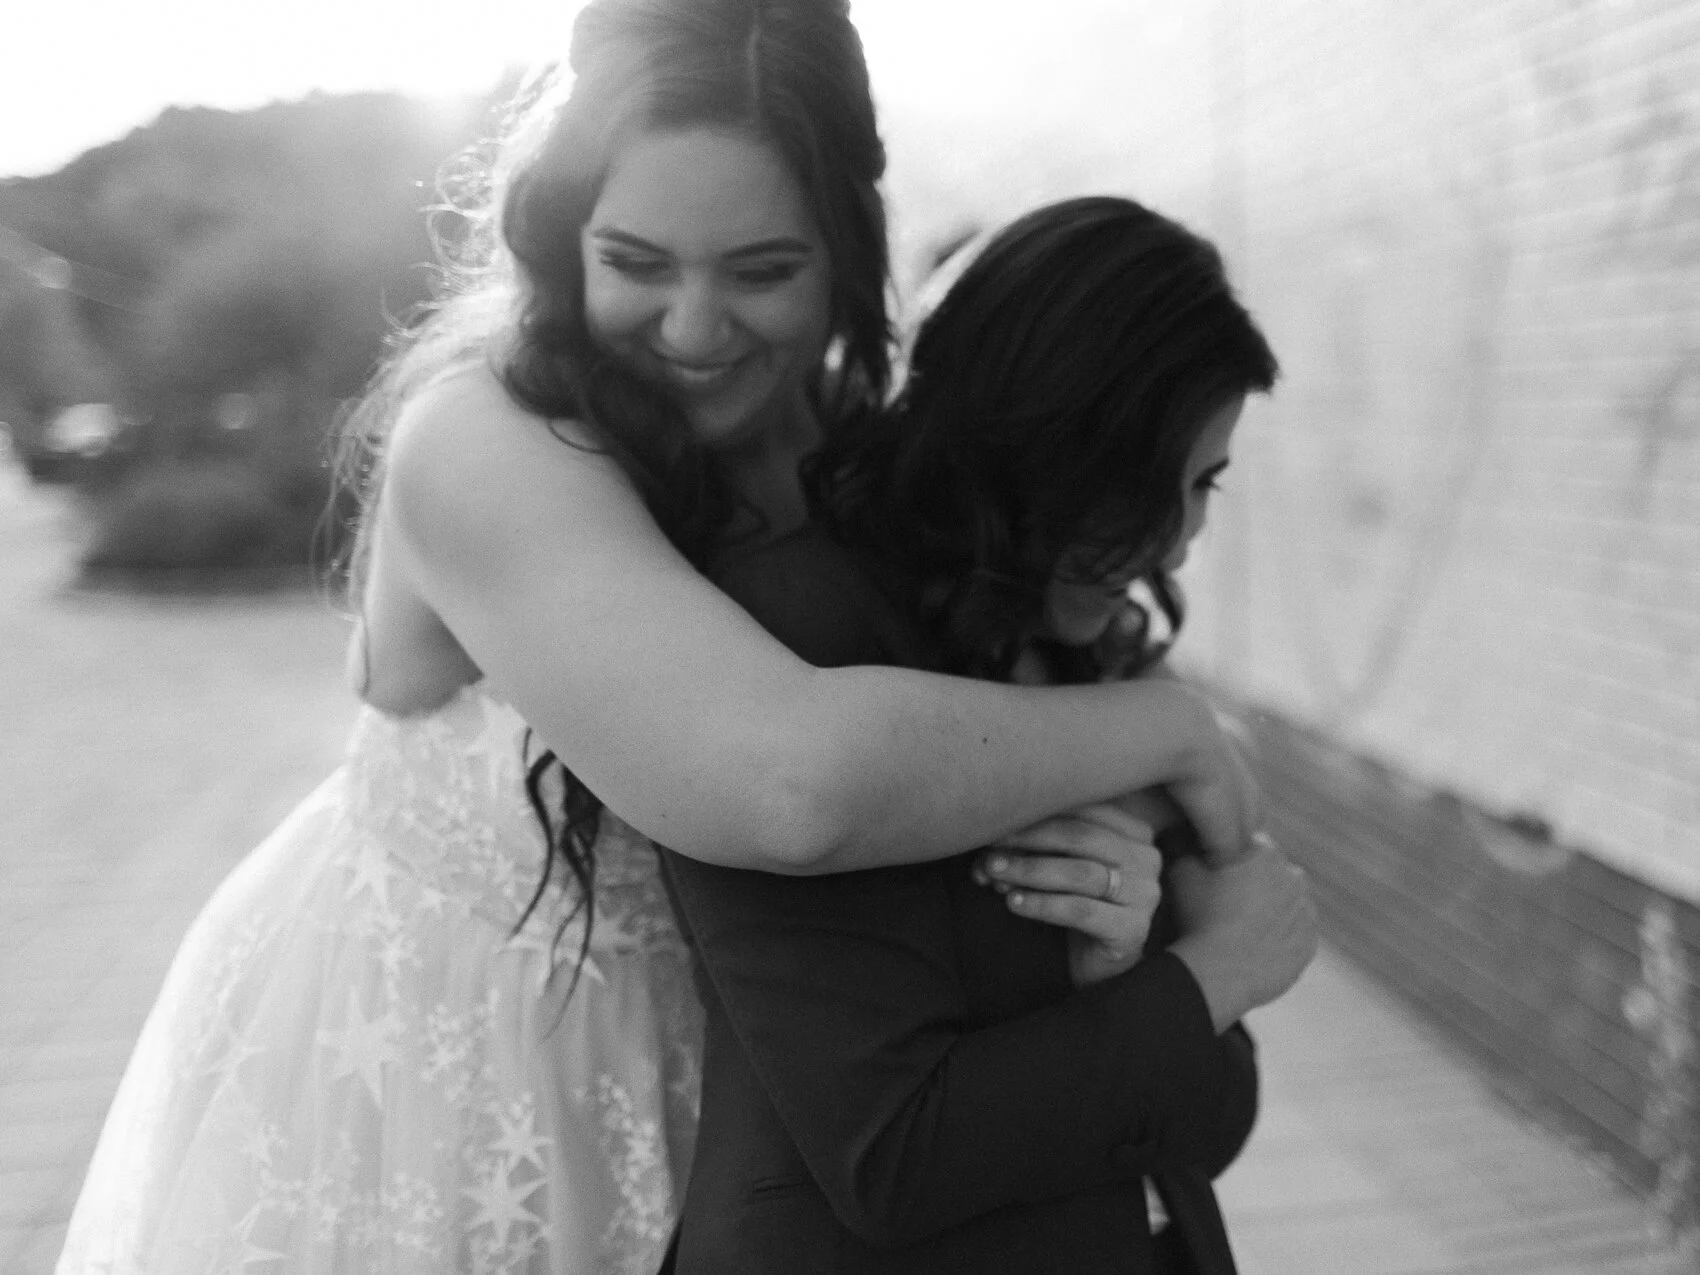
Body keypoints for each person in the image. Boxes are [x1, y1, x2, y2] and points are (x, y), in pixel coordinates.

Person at [56, 4, 1264, 1273]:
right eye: (635, 262)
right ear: (560, 233)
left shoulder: (847, 442)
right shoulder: (481, 440)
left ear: (847, 245)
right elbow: (786, 788)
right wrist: (1166, 730)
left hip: (751, 1094)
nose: (693, 329)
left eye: (761, 271)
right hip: (454, 1077)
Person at [660, 195, 1318, 1274]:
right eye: (1155, 485)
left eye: (1206, 486)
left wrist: (1121, 977)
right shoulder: (797, 645)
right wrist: (1217, 971)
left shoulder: (1083, 652)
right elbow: (891, 1157)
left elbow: (1212, 1126)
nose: (1177, 545)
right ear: (1040, 442)